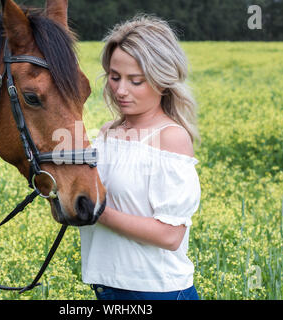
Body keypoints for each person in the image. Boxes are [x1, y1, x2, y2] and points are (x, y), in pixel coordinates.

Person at [79, 15, 201, 300]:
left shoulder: (170, 137)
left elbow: (170, 236)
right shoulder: (108, 132)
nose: (121, 90)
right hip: (107, 288)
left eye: (136, 81)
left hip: (157, 292)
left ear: (162, 80)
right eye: (114, 77)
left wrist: (99, 211)